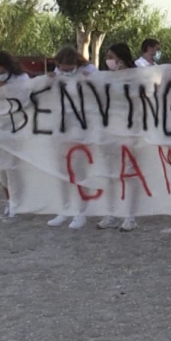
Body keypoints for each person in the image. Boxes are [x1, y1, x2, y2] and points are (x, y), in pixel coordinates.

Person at [46, 46, 98, 229]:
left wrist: (90, 81)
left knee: (79, 170)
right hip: (62, 126)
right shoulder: (57, 72)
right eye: (63, 69)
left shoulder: (89, 71)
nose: (66, 72)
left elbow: (100, 93)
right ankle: (65, 209)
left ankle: (82, 211)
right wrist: (51, 80)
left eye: (69, 69)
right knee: (62, 170)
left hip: (82, 127)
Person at [97, 44, 146, 232]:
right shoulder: (107, 78)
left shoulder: (136, 77)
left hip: (129, 131)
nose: (108, 60)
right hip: (110, 130)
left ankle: (130, 215)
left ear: (121, 58)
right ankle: (111, 213)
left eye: (111, 56)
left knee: (128, 173)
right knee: (110, 174)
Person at [0, 51, 30, 220]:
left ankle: (20, 201)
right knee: (2, 168)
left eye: (1, 72)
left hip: (18, 127)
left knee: (15, 167)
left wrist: (6, 87)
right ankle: (10, 201)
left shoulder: (22, 79)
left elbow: (25, 101)